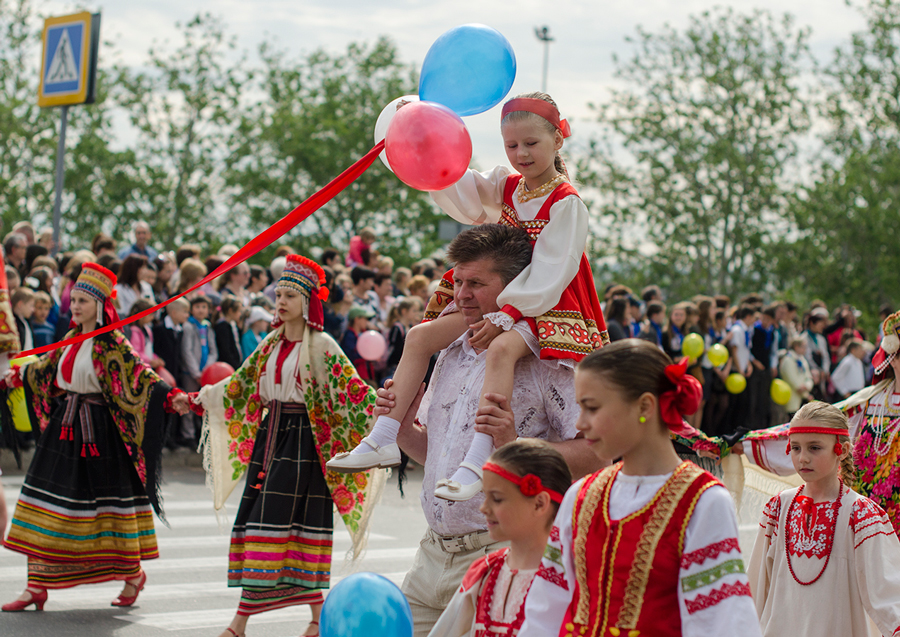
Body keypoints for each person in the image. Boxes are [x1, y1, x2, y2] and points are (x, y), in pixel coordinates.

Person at [329, 93, 607, 503]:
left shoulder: (566, 202)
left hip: (546, 302)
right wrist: (423, 139)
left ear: (557, 140)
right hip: (504, 295)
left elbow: (554, 267)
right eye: (512, 145)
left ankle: (479, 458)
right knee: (420, 337)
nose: (521, 153)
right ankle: (384, 435)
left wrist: (508, 315)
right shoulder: (507, 185)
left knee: (500, 351)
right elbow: (459, 186)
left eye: (531, 143)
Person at [345, 224, 600, 637]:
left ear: (516, 289)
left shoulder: (549, 363)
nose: (460, 294)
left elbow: (598, 454)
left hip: (503, 552)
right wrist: (403, 429)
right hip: (431, 556)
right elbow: (441, 456)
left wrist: (515, 447)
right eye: (457, 281)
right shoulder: (449, 351)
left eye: (476, 283)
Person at [192, 254, 384, 637]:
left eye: (289, 295)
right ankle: (316, 616)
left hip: (304, 445)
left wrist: (388, 405)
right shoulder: (270, 342)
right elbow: (240, 387)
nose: (280, 301)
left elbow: (353, 395)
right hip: (271, 439)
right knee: (271, 526)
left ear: (308, 302)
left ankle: (239, 624)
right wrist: (201, 397)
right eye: (278, 294)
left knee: (274, 525)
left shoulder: (323, 345)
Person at [520, 339, 760, 636]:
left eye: (592, 408)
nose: (580, 423)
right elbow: (546, 607)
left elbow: (722, 621)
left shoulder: (703, 501)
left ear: (644, 405)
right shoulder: (581, 495)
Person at [1, 263, 190, 612]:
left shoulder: (111, 342)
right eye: (72, 300)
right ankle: (36, 586)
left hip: (100, 434)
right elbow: (44, 370)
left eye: (83, 301)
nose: (75, 306)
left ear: (100, 305)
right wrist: (14, 378)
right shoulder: (70, 340)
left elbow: (141, 377)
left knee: (107, 512)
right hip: (64, 430)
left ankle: (132, 575)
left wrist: (170, 396)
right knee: (44, 504)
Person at [736, 311, 900, 537]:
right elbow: (808, 432)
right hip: (864, 516)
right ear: (891, 357)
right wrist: (745, 443)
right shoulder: (870, 401)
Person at [747, 402, 900, 636]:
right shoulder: (778, 508)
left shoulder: (860, 514)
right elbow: (757, 585)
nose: (803, 458)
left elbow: (888, 593)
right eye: (796, 448)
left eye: (814, 448)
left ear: (843, 450)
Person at [427, 439, 572, 637]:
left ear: (539, 503)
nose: (484, 508)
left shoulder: (571, 578)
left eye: (496, 499)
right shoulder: (484, 572)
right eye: (485, 496)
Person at [178, 295, 218, 445]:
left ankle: (202, 434)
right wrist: (196, 373)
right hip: (191, 373)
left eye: (204, 307)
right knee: (189, 401)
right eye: (197, 307)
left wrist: (207, 370)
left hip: (205, 373)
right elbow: (186, 351)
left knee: (204, 404)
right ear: (191, 309)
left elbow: (213, 350)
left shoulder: (207, 327)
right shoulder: (188, 326)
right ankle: (187, 434)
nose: (201, 310)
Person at [126, 298, 164, 369]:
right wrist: (150, 360)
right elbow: (136, 352)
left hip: (147, 366)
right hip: (140, 367)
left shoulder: (147, 329)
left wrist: (156, 359)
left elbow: (149, 350)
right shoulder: (134, 331)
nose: (152, 317)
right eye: (150, 315)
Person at [214, 296, 244, 370]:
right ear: (230, 311)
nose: (240, 314)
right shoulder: (222, 327)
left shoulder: (233, 325)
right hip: (227, 367)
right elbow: (226, 351)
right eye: (239, 311)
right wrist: (235, 366)